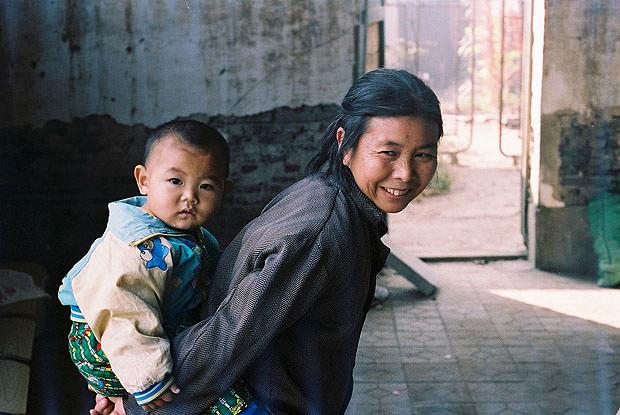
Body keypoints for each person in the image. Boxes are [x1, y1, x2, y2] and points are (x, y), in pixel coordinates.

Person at [94, 68, 443, 415]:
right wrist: (137, 403)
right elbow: (229, 334)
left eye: (423, 155)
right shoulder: (321, 232)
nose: (406, 173)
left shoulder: (324, 194)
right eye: (388, 153)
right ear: (345, 144)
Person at [58, 120, 261, 413]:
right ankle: (123, 397)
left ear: (224, 190)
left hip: (148, 327)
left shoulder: (191, 236)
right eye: (175, 181)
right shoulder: (138, 247)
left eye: (206, 186)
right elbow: (122, 313)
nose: (189, 196)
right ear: (144, 180)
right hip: (106, 339)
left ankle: (118, 401)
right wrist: (147, 379)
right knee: (211, 397)